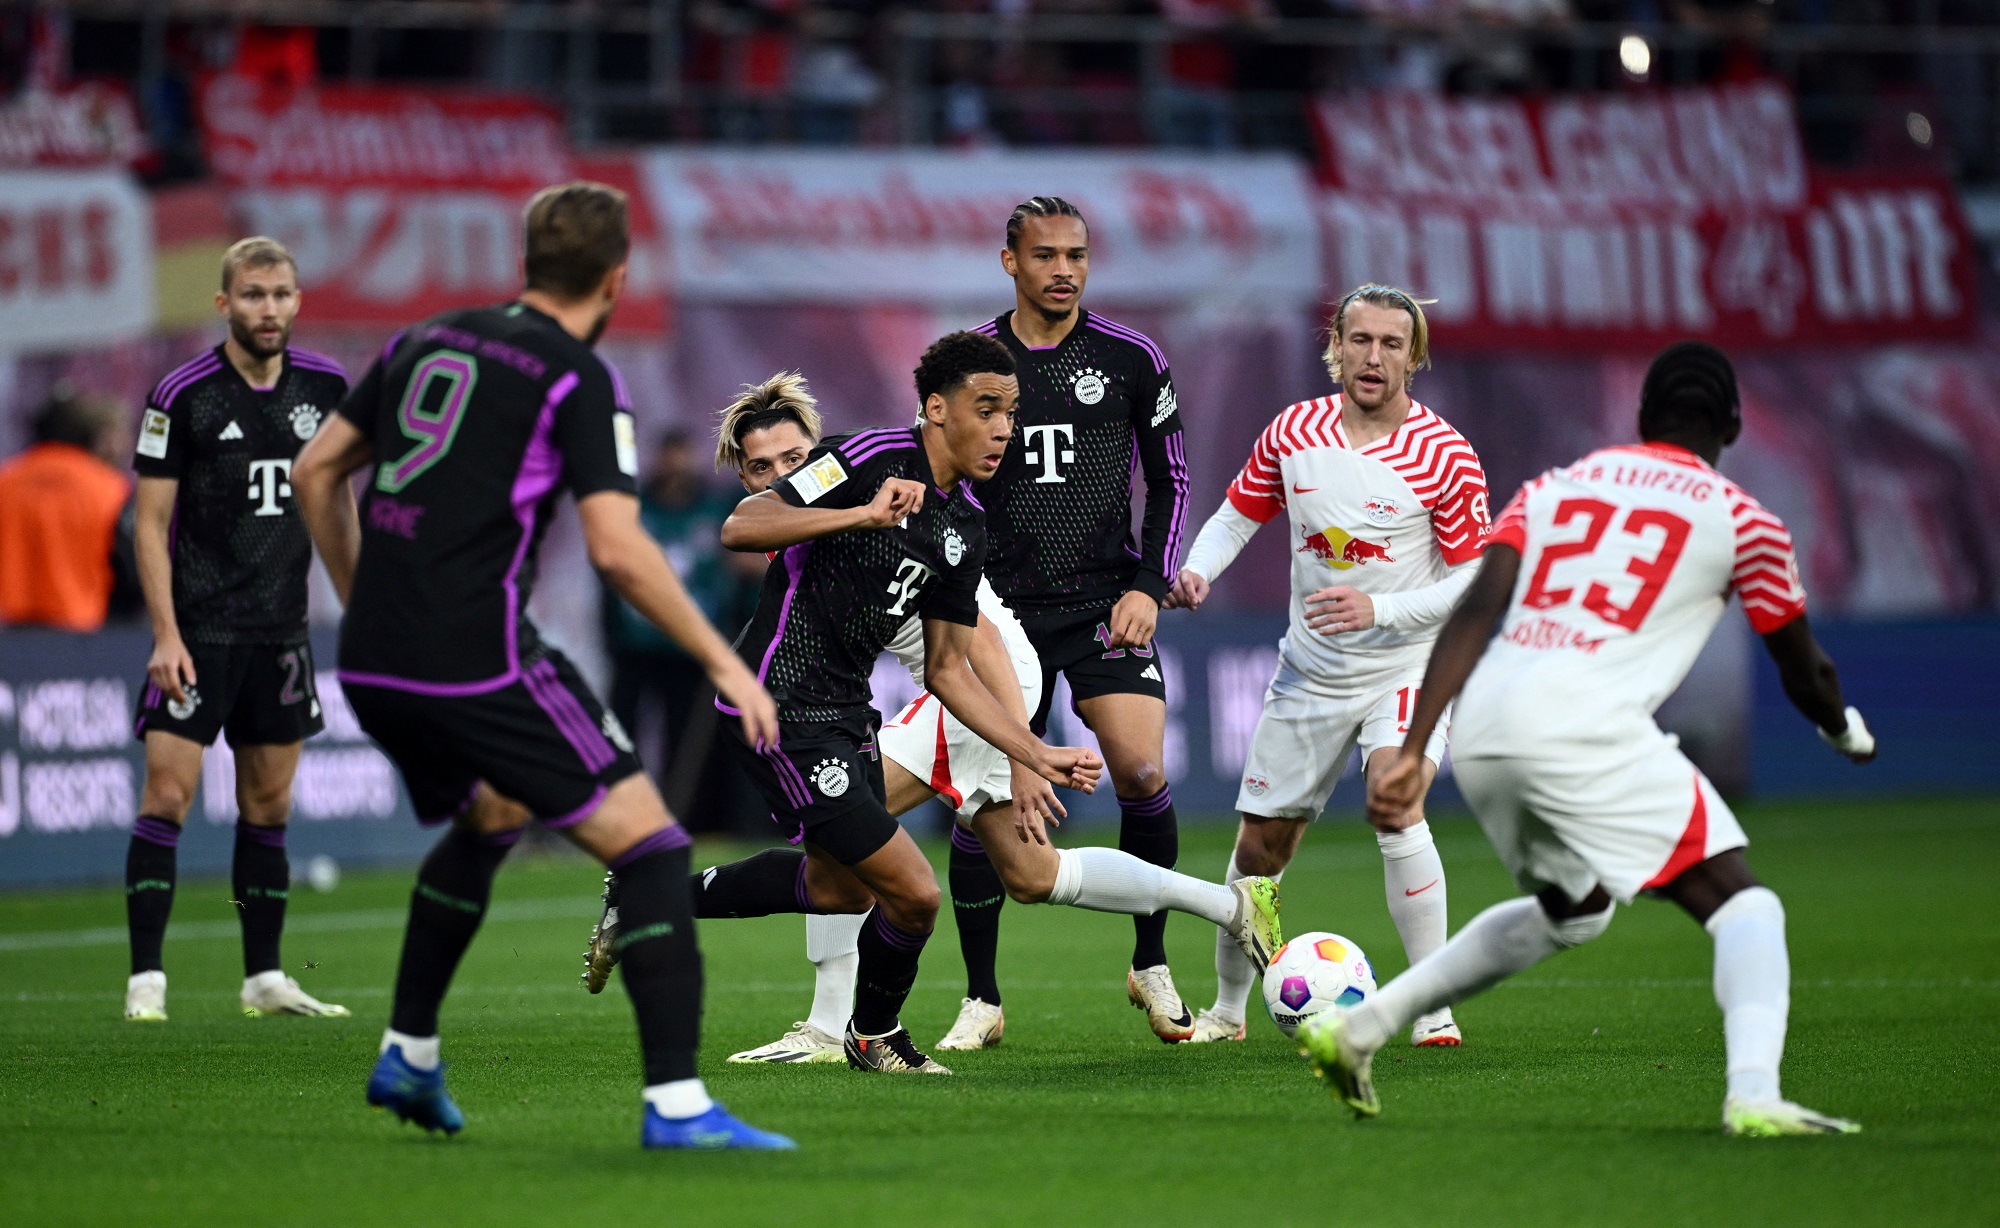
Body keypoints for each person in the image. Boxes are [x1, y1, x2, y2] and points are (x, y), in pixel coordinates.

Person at [584, 368, 1281, 1066]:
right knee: (959, 871)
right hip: (949, 692)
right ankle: (1227, 907)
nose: (779, 478)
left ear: (821, 455)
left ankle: (837, 1027)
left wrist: (1022, 747)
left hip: (987, 684)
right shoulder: (810, 534)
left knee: (883, 860)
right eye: (761, 469)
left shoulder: (881, 490)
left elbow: (979, 643)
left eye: (794, 460)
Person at [291, 181, 793, 1150]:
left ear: (525, 261)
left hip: (374, 658)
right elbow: (617, 546)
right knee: (649, 847)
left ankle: (409, 1052)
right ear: (614, 277)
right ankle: (678, 1108)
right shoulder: (576, 376)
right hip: (476, 655)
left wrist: (364, 603)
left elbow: (318, 472)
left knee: (493, 815)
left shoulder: (423, 338)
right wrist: (721, 662)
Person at [1303, 341, 1874, 1137]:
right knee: (1746, 904)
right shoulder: (1744, 518)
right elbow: (1802, 665)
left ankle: (1360, 1028)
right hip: (1582, 724)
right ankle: (1755, 1096)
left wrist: (1415, 744)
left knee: (1573, 910)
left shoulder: (1555, 487)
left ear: (1642, 418)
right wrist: (1845, 731)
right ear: (1733, 424)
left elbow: (1476, 608)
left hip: (1491, 719)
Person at [693, 330, 1111, 1076]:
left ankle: (651, 894)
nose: (1003, 430)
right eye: (987, 410)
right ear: (936, 407)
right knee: (915, 894)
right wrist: (861, 515)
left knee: (835, 885)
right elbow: (742, 525)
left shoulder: (964, 527)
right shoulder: (866, 458)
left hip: (848, 712)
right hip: (778, 703)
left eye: (1011, 414)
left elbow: (949, 671)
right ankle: (871, 1035)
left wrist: (1032, 750)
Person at [1167, 284, 1490, 1046]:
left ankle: (1433, 1006)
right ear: (1334, 347)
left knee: (1393, 797)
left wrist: (1379, 611)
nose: (1372, 357)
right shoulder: (1295, 431)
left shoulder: (1443, 454)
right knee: (1258, 852)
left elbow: (1476, 580)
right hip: (1309, 675)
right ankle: (1226, 1011)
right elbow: (1239, 511)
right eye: (1359, 340)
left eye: (1390, 343)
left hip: (1404, 670)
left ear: (1414, 356)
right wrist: (1200, 569)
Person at [963, 196, 1196, 1043]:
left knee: (1138, 771)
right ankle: (981, 998)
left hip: (1104, 603)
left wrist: (1149, 582)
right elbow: (946, 476)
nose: (1064, 269)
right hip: (999, 613)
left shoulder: (1132, 358)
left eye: (1078, 256)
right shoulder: (975, 361)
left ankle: (1151, 961)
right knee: (984, 794)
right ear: (1010, 262)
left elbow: (1170, 478)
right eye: (1046, 255)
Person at [121, 237, 352, 1024]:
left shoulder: (327, 388)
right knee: (168, 794)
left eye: (282, 294)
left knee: (270, 804)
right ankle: (145, 981)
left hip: (281, 633)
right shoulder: (183, 394)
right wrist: (164, 634)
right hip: (199, 632)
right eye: (253, 295)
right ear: (224, 304)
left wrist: (358, 602)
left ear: (297, 300)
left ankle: (264, 979)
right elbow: (148, 526)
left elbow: (337, 505)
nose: (269, 310)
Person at [600, 427, 760, 829]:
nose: (676, 465)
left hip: (689, 648)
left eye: (683, 454)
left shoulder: (713, 508)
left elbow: (747, 555)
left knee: (684, 740)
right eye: (670, 455)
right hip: (637, 644)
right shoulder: (636, 508)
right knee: (620, 733)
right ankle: (615, 816)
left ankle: (683, 819)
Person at [0, 388, 134, 631]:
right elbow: (132, 570)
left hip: (11, 634)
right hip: (85, 636)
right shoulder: (108, 487)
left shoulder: (6, 481)